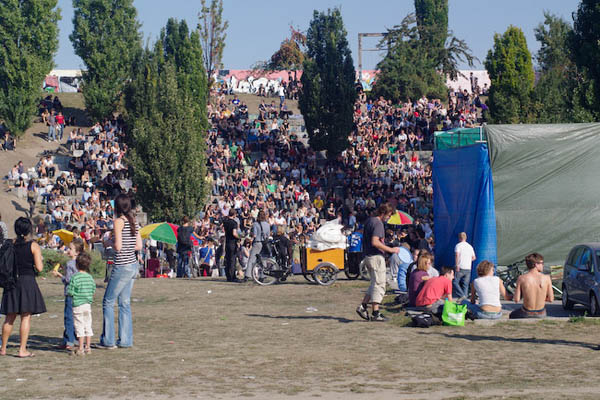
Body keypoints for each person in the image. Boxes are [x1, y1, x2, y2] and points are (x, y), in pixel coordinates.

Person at [98, 194, 141, 349]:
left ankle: (108, 340)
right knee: (124, 303)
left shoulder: (118, 222)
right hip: (132, 265)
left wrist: (107, 241)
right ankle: (125, 340)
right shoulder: (134, 222)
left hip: (121, 265)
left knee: (108, 301)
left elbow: (117, 246)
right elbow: (138, 246)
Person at [1, 217, 46, 357]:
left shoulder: (9, 244)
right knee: (25, 317)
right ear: (29, 230)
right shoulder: (33, 246)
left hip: (12, 281)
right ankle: (22, 349)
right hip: (27, 282)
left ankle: (3, 348)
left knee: (9, 317)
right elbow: (39, 268)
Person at [356, 203, 400, 322]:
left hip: (368, 256)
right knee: (379, 284)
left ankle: (363, 306)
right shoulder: (378, 223)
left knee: (374, 283)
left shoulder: (370, 221)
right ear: (385, 213)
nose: (389, 218)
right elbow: (375, 242)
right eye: (389, 215)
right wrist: (391, 250)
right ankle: (376, 313)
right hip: (375, 257)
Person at [51, 238, 85, 351]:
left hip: (70, 294)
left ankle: (69, 340)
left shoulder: (70, 264)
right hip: (80, 295)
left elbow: (68, 280)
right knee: (77, 317)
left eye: (70, 249)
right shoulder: (82, 264)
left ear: (77, 252)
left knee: (68, 317)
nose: (68, 250)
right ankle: (71, 339)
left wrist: (59, 275)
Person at [67, 252, 96, 355]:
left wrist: (73, 294)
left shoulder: (75, 277)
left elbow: (70, 291)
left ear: (76, 265)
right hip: (87, 304)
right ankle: (88, 347)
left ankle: (80, 347)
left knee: (79, 326)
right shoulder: (90, 278)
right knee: (88, 325)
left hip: (78, 304)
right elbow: (93, 289)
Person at [509, 253, 553, 319]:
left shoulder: (521, 278)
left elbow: (516, 299)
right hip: (541, 313)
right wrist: (541, 297)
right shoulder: (547, 278)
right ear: (535, 264)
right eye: (542, 263)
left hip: (526, 312)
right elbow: (551, 299)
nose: (543, 265)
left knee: (512, 315)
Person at [245, 211, 270, 281]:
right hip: (264, 243)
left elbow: (254, 235)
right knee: (263, 260)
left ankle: (247, 275)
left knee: (251, 259)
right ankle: (263, 275)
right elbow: (268, 235)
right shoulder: (267, 224)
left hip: (257, 242)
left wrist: (250, 236)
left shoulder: (255, 224)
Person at [453, 232, 476, 301]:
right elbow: (474, 257)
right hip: (468, 267)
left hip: (460, 266)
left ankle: (462, 295)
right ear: (466, 238)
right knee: (465, 285)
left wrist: (457, 264)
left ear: (459, 238)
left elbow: (457, 255)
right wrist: (468, 260)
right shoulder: (470, 246)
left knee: (455, 282)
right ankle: (465, 300)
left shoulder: (458, 246)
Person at [223, 209, 241, 282]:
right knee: (232, 260)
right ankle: (232, 276)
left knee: (228, 259)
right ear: (234, 214)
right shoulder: (234, 223)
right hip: (232, 243)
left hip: (227, 242)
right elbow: (234, 233)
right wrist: (239, 237)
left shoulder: (225, 222)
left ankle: (228, 276)